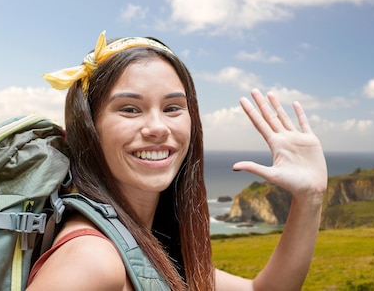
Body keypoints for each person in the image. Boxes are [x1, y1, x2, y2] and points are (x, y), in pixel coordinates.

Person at [26, 31, 328, 291]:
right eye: (130, 109)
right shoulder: (92, 259)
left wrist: (309, 197)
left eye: (172, 108)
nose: (158, 127)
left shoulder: (143, 244)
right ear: (89, 125)